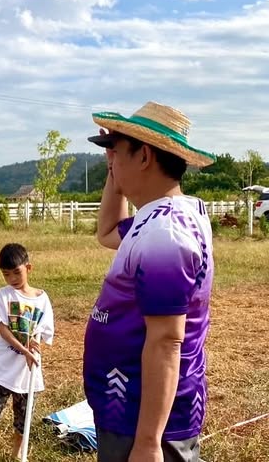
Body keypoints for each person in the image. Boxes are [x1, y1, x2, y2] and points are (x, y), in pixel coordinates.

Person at [83, 102, 216, 462]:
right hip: (126, 407)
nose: (110, 160)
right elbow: (108, 231)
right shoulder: (158, 217)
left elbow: (165, 342)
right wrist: (115, 175)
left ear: (144, 156)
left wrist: (148, 442)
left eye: (117, 152)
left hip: (141, 416)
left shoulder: (165, 232)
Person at [0, 243, 54, 462]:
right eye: (7, 274)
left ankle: (16, 455)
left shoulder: (42, 299)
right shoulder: (2, 296)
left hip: (28, 371)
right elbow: (3, 329)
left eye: (17, 272)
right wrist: (23, 349)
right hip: (1, 368)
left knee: (24, 417)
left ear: (28, 268)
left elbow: (43, 331)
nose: (13, 278)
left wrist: (35, 341)